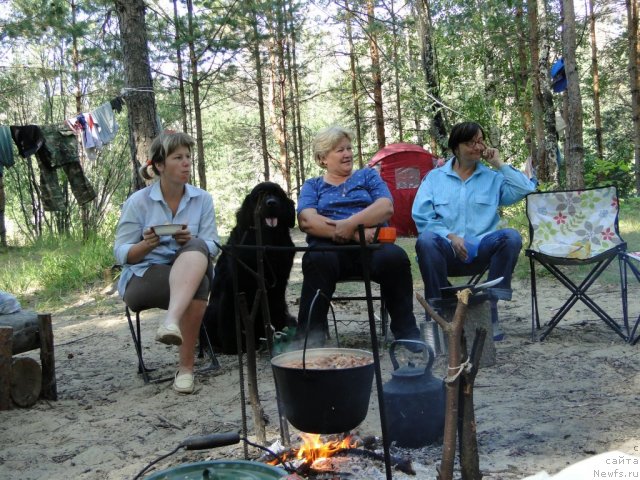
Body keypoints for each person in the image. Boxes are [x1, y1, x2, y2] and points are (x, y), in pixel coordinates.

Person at [114, 131, 219, 394]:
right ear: (159, 165)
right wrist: (145, 245)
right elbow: (121, 252)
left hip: (189, 266)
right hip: (145, 275)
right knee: (200, 285)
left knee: (197, 246)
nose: (186, 163)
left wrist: (190, 240)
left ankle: (171, 324)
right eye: (178, 158)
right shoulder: (138, 202)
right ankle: (186, 368)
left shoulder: (202, 199)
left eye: (188, 157)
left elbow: (213, 245)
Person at [297, 126, 421, 346]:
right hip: (329, 249)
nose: (347, 154)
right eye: (339, 150)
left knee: (394, 257)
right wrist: (356, 234)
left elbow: (385, 207)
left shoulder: (368, 176)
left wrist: (351, 224)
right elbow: (307, 220)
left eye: (349, 148)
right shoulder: (312, 186)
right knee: (317, 260)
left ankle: (407, 334)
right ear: (322, 158)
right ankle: (309, 341)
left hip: (372, 249)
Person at [412, 121, 535, 337]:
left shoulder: (493, 178)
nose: (478, 147)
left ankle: (490, 309)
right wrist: (451, 237)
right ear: (456, 147)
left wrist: (499, 164)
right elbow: (421, 217)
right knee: (426, 241)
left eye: (480, 141)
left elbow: (525, 188)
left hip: (482, 250)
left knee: (511, 237)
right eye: (471, 143)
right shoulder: (434, 178)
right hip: (446, 250)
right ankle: (440, 310)